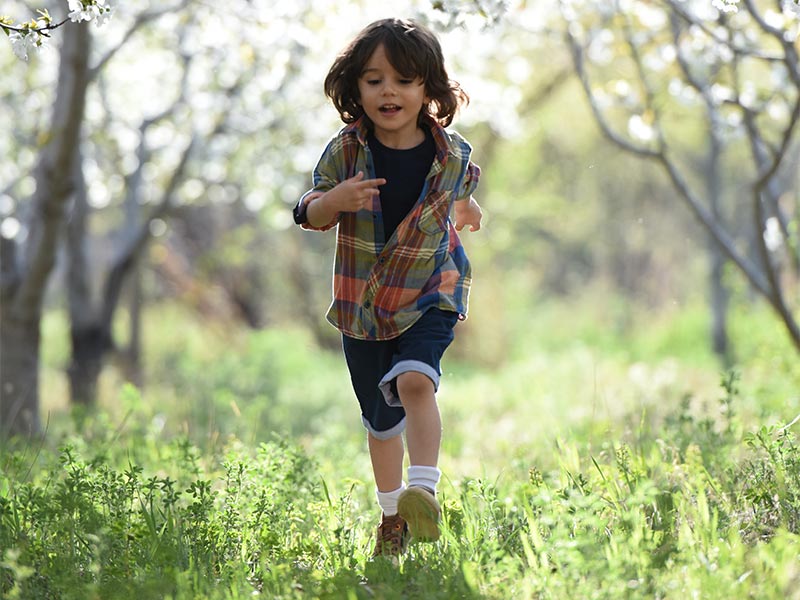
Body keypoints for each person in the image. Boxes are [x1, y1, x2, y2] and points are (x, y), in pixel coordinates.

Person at [293, 17, 483, 558]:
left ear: (428, 89)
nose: (388, 91)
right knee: (381, 421)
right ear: (355, 89)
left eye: (403, 80)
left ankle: (423, 490)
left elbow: (460, 191)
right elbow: (307, 208)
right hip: (366, 305)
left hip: (432, 288)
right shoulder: (346, 152)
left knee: (415, 383)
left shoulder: (452, 154)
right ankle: (393, 515)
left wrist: (468, 210)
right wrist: (332, 203)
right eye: (374, 80)